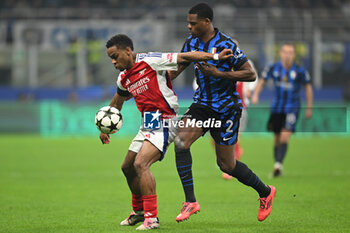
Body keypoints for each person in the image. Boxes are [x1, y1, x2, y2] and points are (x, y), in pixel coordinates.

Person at [99, 34, 234, 230]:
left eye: (115, 56)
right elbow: (117, 102)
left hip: (166, 120)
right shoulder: (123, 78)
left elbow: (185, 56)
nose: (113, 61)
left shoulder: (151, 61)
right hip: (149, 123)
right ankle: (138, 212)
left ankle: (151, 218)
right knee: (127, 166)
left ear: (127, 51)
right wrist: (105, 127)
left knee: (141, 163)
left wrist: (214, 58)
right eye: (110, 57)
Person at [168, 3, 276, 223]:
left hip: (226, 110)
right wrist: (155, 80)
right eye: (188, 22)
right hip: (202, 106)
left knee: (227, 165)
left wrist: (219, 73)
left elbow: (250, 74)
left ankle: (265, 192)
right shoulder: (191, 42)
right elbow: (177, 70)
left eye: (193, 23)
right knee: (180, 141)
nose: (188, 26)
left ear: (207, 22)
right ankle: (190, 201)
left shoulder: (226, 44)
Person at [251, 42, 313, 177]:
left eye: (290, 53)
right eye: (285, 52)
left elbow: (308, 87)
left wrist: (309, 107)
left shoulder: (300, 70)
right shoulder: (273, 67)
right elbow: (262, 81)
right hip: (277, 107)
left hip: (292, 107)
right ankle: (277, 163)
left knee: (285, 134)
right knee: (277, 137)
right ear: (281, 54)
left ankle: (278, 164)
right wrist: (255, 95)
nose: (287, 55)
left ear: (294, 55)